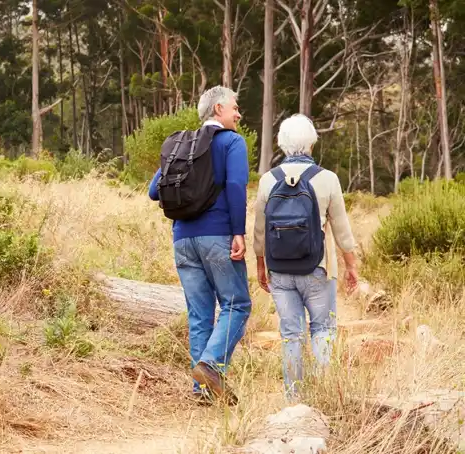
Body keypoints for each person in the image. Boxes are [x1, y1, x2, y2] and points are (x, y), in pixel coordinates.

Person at [149, 86, 251, 405]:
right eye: (235, 108)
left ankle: (203, 392)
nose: (238, 114)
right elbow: (236, 186)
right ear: (219, 108)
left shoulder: (182, 144)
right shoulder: (231, 142)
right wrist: (238, 232)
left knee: (199, 314)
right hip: (217, 235)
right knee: (237, 304)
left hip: (182, 239)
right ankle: (210, 366)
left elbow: (154, 190)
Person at [252, 114, 359, 402]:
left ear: (282, 143)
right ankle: (324, 397)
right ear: (311, 143)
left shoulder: (268, 180)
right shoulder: (327, 179)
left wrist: (261, 265)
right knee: (323, 329)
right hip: (318, 268)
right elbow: (341, 228)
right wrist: (351, 266)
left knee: (291, 334)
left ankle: (293, 401)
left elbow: (260, 230)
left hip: (280, 271)